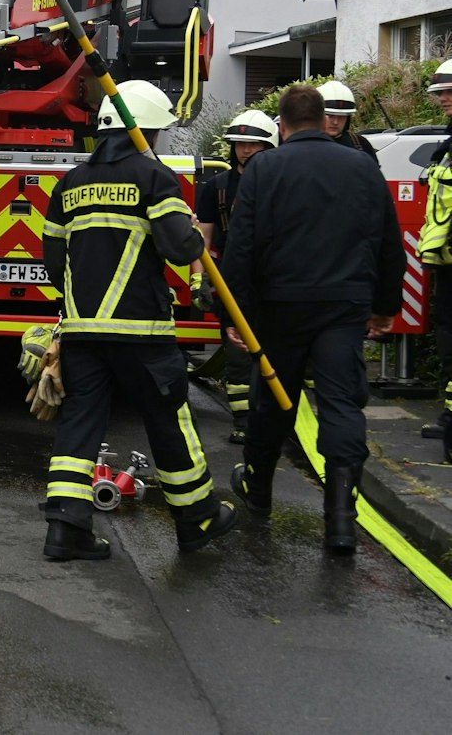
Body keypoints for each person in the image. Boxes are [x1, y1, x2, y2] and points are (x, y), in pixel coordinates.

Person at [39, 80, 237, 561]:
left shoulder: (70, 184)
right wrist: (190, 231)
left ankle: (65, 532)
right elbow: (179, 248)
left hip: (84, 334)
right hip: (141, 334)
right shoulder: (153, 179)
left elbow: (53, 260)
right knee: (169, 422)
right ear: (144, 129)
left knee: (78, 431)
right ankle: (197, 519)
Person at [223, 83, 404, 554]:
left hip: (281, 308)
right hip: (344, 306)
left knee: (274, 402)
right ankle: (341, 518)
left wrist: (236, 317)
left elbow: (241, 250)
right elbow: (389, 243)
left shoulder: (264, 168)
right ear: (325, 119)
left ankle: (258, 489)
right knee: (342, 404)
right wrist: (386, 307)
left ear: (281, 126)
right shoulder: (363, 167)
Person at [193, 109, 279, 443]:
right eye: (240, 143)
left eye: (253, 144)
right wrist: (199, 280)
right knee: (238, 352)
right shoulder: (218, 187)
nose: (245, 150)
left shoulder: (281, 183)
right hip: (233, 278)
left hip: (275, 277)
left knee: (273, 349)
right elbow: (204, 238)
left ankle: (271, 415)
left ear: (268, 146)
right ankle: (243, 421)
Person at [415, 61, 452, 464]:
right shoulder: (448, 144)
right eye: (440, 92)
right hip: (446, 263)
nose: (442, 98)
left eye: (448, 92)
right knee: (447, 342)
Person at [317, 79, 380, 157]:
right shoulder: (306, 145)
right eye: (330, 115)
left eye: (342, 116)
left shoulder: (361, 144)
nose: (335, 122)